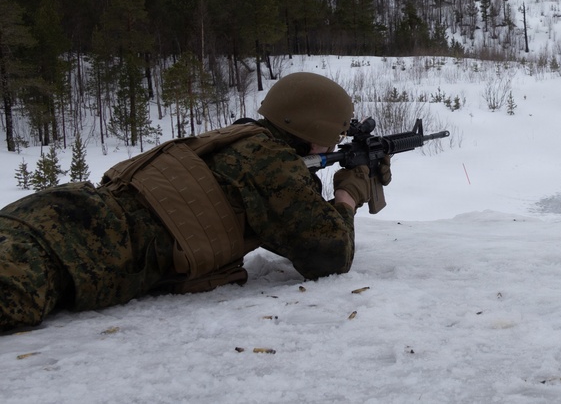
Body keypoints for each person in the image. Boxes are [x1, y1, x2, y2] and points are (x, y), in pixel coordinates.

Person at [0, 72, 389, 332]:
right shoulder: (272, 164)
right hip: (82, 247)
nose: (334, 145)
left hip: (61, 210)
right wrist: (348, 194)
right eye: (333, 137)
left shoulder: (242, 138)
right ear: (311, 130)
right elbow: (329, 255)